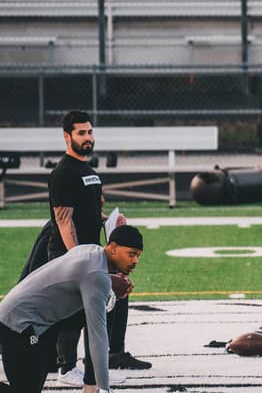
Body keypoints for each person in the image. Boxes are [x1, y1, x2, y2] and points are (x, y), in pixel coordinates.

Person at [47, 111, 150, 387]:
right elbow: (64, 220)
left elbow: (91, 212)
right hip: (72, 253)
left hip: (94, 253)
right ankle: (66, 369)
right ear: (67, 137)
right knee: (75, 312)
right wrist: (76, 259)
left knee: (112, 296)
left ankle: (101, 362)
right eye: (81, 133)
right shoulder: (64, 173)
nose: (88, 137)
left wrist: (112, 221)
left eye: (90, 132)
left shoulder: (89, 171)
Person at [0, 225, 144, 393]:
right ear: (112, 248)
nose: (135, 261)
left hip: (26, 321)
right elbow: (98, 337)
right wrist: (104, 388)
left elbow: (85, 279)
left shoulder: (91, 251)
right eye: (131, 254)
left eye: (138, 255)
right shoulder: (97, 276)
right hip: (18, 325)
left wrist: (109, 288)